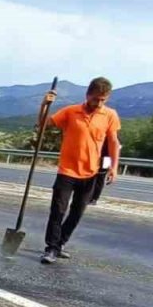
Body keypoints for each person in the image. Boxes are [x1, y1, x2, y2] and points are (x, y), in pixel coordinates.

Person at [40, 78, 121, 264]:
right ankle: (51, 248)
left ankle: (60, 244)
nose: (99, 103)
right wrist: (44, 105)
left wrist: (113, 167)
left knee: (77, 212)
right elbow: (44, 124)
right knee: (58, 211)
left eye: (103, 100)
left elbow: (113, 142)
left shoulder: (110, 115)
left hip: (91, 172)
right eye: (96, 99)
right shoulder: (71, 111)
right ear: (88, 95)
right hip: (67, 171)